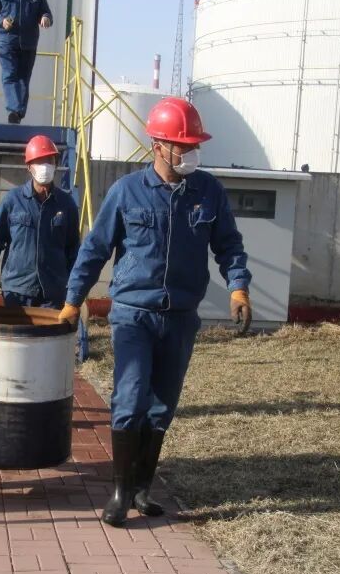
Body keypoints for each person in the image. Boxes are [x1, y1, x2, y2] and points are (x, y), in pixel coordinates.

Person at [58, 97, 253, 527]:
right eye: (183, 145)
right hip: (133, 313)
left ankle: (142, 488)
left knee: (162, 405)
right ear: (158, 146)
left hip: (180, 315)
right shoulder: (127, 192)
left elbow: (229, 245)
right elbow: (95, 249)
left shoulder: (208, 192)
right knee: (130, 399)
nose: (191, 153)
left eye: (195, 145)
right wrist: (74, 300)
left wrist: (238, 287)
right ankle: (119, 492)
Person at [0, 135, 80, 309]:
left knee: (51, 329)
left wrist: (76, 287)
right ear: (29, 166)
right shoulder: (13, 200)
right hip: (18, 289)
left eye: (49, 160)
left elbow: (74, 249)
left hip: (53, 291)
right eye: (39, 161)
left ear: (56, 164)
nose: (45, 166)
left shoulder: (67, 204)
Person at [0, 0, 53, 124]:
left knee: (24, 78)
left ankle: (17, 113)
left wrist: (45, 17)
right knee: (9, 75)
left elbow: (46, 12)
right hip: (8, 40)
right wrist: (1, 21)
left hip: (29, 42)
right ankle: (14, 110)